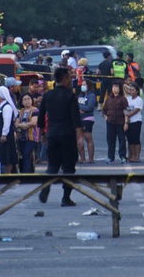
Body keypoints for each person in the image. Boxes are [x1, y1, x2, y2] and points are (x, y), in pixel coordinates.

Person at [38, 67, 83, 206]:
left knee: (52, 165)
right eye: (69, 77)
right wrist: (79, 137)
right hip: (68, 135)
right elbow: (76, 119)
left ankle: (46, 186)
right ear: (64, 79)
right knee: (69, 167)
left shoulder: (47, 95)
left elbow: (40, 118)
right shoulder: (70, 95)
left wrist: (43, 134)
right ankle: (66, 197)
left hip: (52, 134)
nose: (70, 80)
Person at [0, 85, 19, 173]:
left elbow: (7, 122)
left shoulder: (7, 107)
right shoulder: (1, 105)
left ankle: (8, 174)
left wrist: (4, 134)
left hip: (5, 136)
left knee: (7, 156)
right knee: (2, 155)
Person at [102, 82, 128, 164]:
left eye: (116, 87)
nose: (114, 89)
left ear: (119, 89)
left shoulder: (123, 99)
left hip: (120, 123)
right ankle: (110, 157)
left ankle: (122, 156)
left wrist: (126, 123)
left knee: (122, 140)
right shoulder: (108, 98)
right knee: (110, 140)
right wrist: (105, 117)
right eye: (113, 87)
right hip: (110, 123)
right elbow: (104, 110)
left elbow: (126, 111)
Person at [15, 94, 40, 173]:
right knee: (22, 155)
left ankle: (27, 173)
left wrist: (23, 125)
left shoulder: (35, 110)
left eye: (28, 99)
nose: (27, 101)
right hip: (21, 137)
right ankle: (25, 172)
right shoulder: (21, 111)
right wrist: (23, 125)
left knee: (27, 154)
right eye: (25, 99)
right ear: (22, 102)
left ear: (32, 100)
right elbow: (16, 123)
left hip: (32, 137)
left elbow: (34, 122)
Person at [77, 79, 97, 164]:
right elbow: (76, 105)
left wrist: (80, 108)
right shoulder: (80, 95)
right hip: (79, 119)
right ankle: (82, 158)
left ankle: (91, 158)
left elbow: (90, 107)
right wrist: (80, 109)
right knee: (79, 139)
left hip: (87, 118)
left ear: (89, 86)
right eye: (82, 84)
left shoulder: (91, 95)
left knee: (88, 138)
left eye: (85, 84)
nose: (83, 86)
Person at [123, 81, 144, 163]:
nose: (131, 91)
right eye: (130, 90)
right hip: (129, 122)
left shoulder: (139, 100)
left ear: (137, 91)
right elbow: (124, 108)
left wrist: (127, 115)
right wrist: (126, 116)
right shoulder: (127, 99)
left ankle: (137, 156)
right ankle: (131, 155)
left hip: (136, 121)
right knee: (130, 140)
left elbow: (136, 110)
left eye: (133, 90)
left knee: (136, 139)